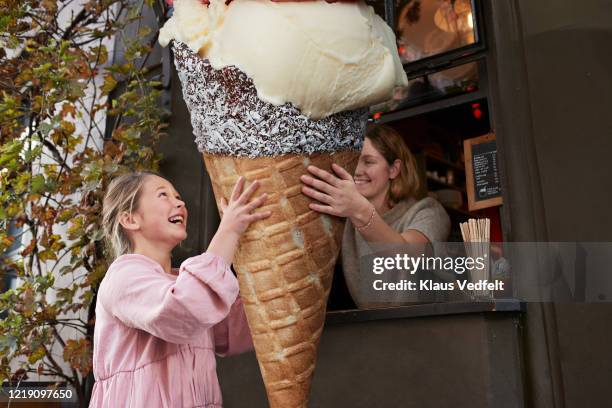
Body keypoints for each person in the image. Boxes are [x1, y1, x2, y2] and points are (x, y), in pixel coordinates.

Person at [90, 172, 270, 407]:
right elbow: (185, 308)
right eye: (163, 195)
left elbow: (232, 331)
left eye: (178, 196)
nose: (180, 202)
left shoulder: (182, 283)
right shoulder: (124, 276)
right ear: (130, 219)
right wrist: (229, 232)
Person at [300, 124, 451, 308]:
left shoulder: (427, 211)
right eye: (354, 160)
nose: (357, 170)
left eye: (368, 161)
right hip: (373, 331)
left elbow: (407, 258)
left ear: (394, 169)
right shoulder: (347, 221)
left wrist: (359, 210)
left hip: (429, 330)